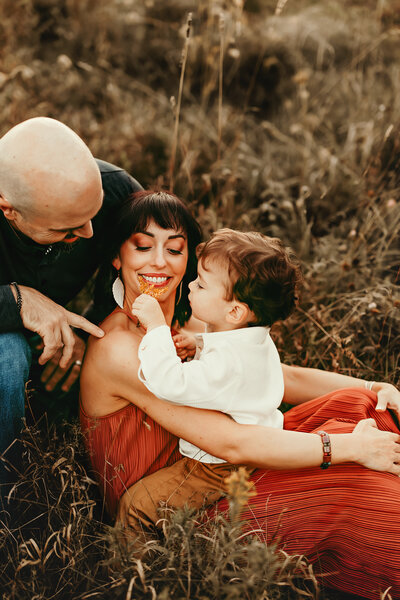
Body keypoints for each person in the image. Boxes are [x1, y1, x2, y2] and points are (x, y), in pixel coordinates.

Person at [80, 190, 400, 600]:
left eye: (174, 249)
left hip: (216, 468)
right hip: (178, 505)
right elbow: (229, 441)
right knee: (354, 480)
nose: (159, 261)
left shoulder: (192, 323)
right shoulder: (122, 348)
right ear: (116, 257)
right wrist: (348, 448)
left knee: (357, 406)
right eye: (142, 246)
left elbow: (274, 376)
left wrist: (370, 387)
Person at [122, 228, 302, 533]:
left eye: (201, 284)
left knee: (137, 506)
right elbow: (229, 361)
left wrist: (155, 327)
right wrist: (200, 344)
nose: (190, 285)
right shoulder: (251, 338)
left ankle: (132, 575)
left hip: (216, 467)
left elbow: (170, 383)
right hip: (251, 447)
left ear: (234, 311)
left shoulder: (227, 363)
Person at [0, 116, 142, 484]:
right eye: (65, 229)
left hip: (64, 336)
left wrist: (90, 338)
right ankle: (10, 482)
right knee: (8, 358)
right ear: (8, 208)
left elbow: (133, 285)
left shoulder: (116, 193)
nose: (89, 232)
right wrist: (18, 300)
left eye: (92, 215)